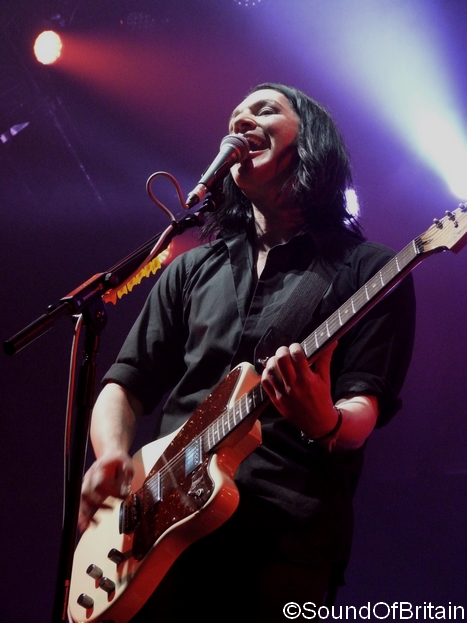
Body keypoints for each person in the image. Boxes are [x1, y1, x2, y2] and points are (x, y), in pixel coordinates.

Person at [78, 83, 416, 621]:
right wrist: (112, 455)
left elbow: (363, 408)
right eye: (235, 116)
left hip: (282, 543)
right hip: (155, 536)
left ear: (310, 140)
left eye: (264, 110)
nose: (241, 122)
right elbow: (126, 382)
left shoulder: (368, 270)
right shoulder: (194, 268)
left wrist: (324, 420)